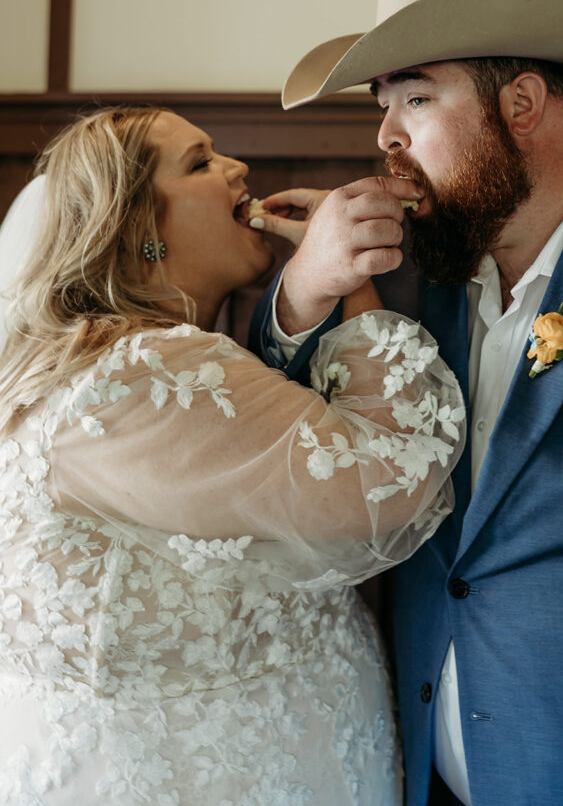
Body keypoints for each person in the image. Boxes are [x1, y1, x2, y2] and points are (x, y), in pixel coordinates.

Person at [249, 0, 563, 806]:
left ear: (520, 101)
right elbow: (294, 451)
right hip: (424, 777)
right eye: (382, 102)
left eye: (414, 96)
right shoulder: (409, 267)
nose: (384, 136)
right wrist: (301, 293)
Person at [0, 105, 467, 805]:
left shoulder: (126, 362)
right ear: (139, 233)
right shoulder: (139, 374)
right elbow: (385, 478)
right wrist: (352, 284)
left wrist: (314, 286)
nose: (237, 168)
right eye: (200, 162)